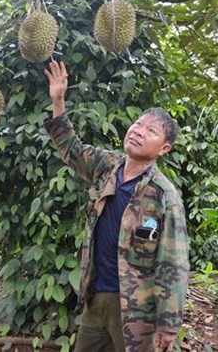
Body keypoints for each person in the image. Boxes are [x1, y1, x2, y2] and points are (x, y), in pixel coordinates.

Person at [43, 60, 189, 352]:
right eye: (138, 124)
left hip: (137, 312)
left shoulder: (163, 196)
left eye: (151, 132)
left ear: (164, 149)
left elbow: (173, 263)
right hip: (96, 300)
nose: (138, 131)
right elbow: (71, 148)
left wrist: (169, 323)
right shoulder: (106, 166)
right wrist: (58, 100)